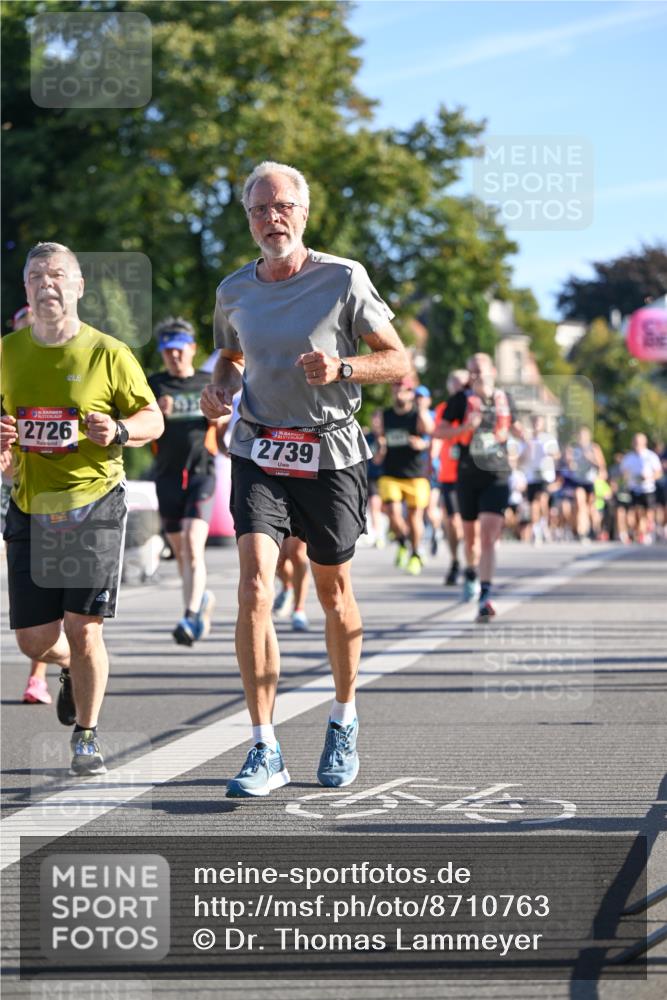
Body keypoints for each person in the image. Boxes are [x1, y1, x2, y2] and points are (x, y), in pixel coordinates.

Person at [200, 161, 409, 797]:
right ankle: (264, 747)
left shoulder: (344, 278)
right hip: (260, 448)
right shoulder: (234, 289)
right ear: (249, 219)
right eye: (260, 210)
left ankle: (343, 717)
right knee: (254, 588)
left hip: (330, 452)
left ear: (305, 212)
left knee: (333, 593)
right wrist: (219, 388)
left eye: (283, 206)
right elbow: (233, 356)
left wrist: (343, 365)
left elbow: (399, 361)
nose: (272, 219)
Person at [0, 242, 163, 775]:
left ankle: (87, 737)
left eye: (57, 275)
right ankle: (70, 669)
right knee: (35, 640)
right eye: (36, 277)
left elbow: (152, 421)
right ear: (25, 289)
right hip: (29, 505)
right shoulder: (8, 353)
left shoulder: (109, 353)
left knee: (83, 625)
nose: (47, 284)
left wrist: (118, 428)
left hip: (93, 504)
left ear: (78, 287)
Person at [148, 317, 225, 645]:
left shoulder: (209, 381)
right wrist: (154, 414)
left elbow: (222, 429)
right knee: (182, 552)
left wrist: (216, 415)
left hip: (201, 474)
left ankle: (190, 616)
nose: (174, 356)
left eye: (180, 350)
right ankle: (200, 599)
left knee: (194, 545)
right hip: (166, 477)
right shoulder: (154, 385)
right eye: (168, 351)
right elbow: (140, 431)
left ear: (192, 349)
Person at [434, 353, 522, 622]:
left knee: (488, 535)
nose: (474, 376)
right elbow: (440, 432)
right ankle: (471, 572)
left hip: (496, 473)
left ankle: (485, 594)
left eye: (478, 371)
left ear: (492, 371)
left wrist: (523, 437)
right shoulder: (461, 400)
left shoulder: (504, 399)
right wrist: (466, 428)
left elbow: (517, 428)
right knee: (470, 536)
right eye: (471, 372)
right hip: (468, 475)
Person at [377, 375, 434, 575]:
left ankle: (415, 553)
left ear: (412, 393)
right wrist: (380, 448)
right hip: (391, 472)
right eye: (396, 388)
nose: (399, 392)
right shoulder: (384, 415)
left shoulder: (417, 414)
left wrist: (422, 442)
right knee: (392, 513)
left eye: (405, 389)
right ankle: (403, 541)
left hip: (415, 474)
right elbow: (379, 439)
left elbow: (429, 431)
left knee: (414, 518)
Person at [433, 369, 468, 585]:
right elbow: (438, 434)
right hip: (449, 473)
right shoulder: (443, 409)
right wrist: (432, 457)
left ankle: (473, 561)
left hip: (471, 472)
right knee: (453, 521)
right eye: (454, 381)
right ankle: (455, 561)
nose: (458, 386)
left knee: (471, 522)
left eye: (462, 382)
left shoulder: (474, 409)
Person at [619, 433, 662, 544]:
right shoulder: (628, 457)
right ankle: (639, 532)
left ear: (644, 442)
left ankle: (647, 530)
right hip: (634, 488)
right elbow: (622, 473)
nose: (637, 444)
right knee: (635, 512)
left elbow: (659, 473)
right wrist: (627, 477)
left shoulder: (651, 456)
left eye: (639, 442)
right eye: (635, 442)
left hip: (648, 489)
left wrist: (649, 477)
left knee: (648, 513)